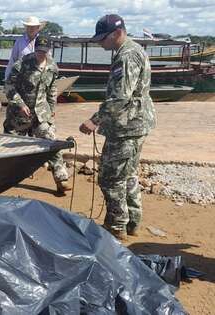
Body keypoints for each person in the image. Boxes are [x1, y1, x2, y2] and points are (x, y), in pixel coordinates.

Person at [79, 14, 156, 240]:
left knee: (110, 178)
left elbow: (120, 96)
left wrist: (95, 120)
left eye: (103, 38)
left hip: (126, 126)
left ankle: (116, 226)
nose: (100, 43)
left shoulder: (127, 55)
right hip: (133, 124)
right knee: (128, 174)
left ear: (117, 33)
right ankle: (132, 222)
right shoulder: (131, 50)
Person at [4, 35, 71, 194]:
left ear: (49, 50)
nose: (41, 54)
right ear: (35, 49)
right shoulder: (22, 65)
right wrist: (20, 104)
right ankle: (6, 179)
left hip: (41, 113)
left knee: (51, 142)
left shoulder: (53, 67)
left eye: (44, 51)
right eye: (39, 50)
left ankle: (61, 179)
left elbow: (52, 91)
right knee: (9, 148)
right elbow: (8, 87)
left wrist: (52, 110)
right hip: (19, 115)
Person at [4, 16, 44, 82]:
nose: (31, 29)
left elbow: (48, 61)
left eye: (33, 27)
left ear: (37, 28)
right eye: (29, 26)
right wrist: (7, 78)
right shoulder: (19, 42)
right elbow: (13, 60)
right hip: (21, 79)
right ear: (26, 28)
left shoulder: (43, 42)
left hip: (38, 79)